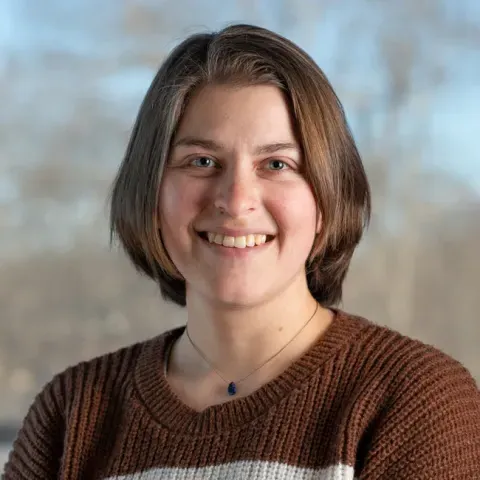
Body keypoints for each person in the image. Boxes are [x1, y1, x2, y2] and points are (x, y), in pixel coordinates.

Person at [4, 24, 480, 480]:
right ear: (150, 192)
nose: (235, 200)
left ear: (327, 200)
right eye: (202, 161)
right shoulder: (71, 413)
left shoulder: (414, 399)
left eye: (276, 164)